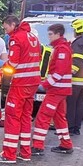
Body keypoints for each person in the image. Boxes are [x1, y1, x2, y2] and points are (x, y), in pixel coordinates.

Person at [0, 16, 41, 164]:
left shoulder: (16, 39)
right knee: (26, 117)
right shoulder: (32, 36)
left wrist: (3, 64)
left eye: (6, 28)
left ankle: (9, 154)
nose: (5, 31)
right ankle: (25, 152)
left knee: (13, 116)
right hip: (33, 83)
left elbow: (13, 63)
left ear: (13, 25)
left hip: (20, 83)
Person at [31, 23, 74, 155]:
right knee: (59, 118)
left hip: (56, 90)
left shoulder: (61, 49)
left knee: (43, 116)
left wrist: (44, 85)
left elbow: (59, 72)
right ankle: (66, 144)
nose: (49, 37)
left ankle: (38, 146)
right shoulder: (61, 48)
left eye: (50, 34)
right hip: (60, 90)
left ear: (58, 34)